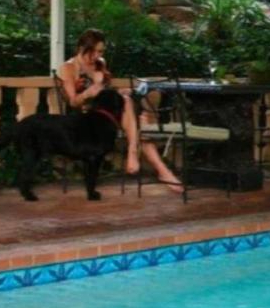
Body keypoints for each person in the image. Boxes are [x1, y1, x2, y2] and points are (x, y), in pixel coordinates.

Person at [58, 29, 183, 192]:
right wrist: (88, 92)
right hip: (88, 117)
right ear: (82, 48)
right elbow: (73, 102)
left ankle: (156, 167)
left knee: (132, 108)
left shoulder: (100, 63)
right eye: (93, 51)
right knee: (137, 119)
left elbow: (105, 93)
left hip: (108, 113)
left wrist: (118, 92)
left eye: (101, 51)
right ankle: (156, 168)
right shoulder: (69, 67)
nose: (97, 55)